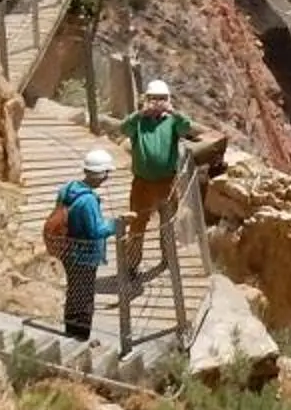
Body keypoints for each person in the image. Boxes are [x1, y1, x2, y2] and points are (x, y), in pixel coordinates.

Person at [116, 78, 204, 280]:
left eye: (161, 99)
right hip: (142, 183)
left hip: (167, 183)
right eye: (153, 99)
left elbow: (186, 127)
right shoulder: (138, 123)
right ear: (146, 99)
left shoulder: (172, 121)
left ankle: (167, 258)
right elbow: (123, 128)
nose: (157, 103)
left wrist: (172, 111)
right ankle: (132, 265)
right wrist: (140, 113)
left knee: (168, 222)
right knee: (137, 223)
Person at [44, 145, 122, 340]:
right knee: (85, 299)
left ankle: (70, 331)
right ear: (101, 174)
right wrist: (117, 224)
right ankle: (80, 337)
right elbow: (96, 231)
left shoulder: (68, 189)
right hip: (84, 256)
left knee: (74, 293)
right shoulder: (88, 201)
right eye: (107, 173)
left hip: (68, 250)